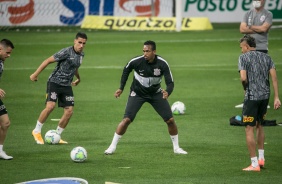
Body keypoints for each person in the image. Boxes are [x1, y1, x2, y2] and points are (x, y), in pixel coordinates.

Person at [104, 40, 187, 155]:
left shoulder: (162, 64)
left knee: (170, 120)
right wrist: (121, 88)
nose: (145, 54)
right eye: (143, 51)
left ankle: (176, 148)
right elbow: (126, 70)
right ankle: (112, 147)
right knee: (127, 119)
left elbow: (170, 83)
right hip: (137, 93)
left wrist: (167, 92)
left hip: (155, 94)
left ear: (154, 51)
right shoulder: (136, 62)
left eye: (147, 51)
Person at [30, 32, 87, 145]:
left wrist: (79, 78)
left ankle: (57, 135)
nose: (81, 45)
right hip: (54, 82)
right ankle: (36, 131)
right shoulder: (66, 52)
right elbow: (47, 61)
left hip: (67, 85)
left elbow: (75, 67)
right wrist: (35, 74)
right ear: (74, 41)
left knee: (69, 111)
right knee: (50, 106)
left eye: (84, 43)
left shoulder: (81, 55)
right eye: (79, 42)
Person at [238, 35, 280, 171]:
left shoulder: (243, 58)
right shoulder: (267, 57)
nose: (241, 50)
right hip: (265, 97)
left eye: (241, 48)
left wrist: (245, 88)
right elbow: (274, 78)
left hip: (252, 97)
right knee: (260, 125)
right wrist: (276, 97)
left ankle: (254, 164)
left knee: (249, 128)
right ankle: (261, 158)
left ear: (246, 46)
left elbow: (243, 78)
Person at [236, 0, 273, 108]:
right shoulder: (247, 14)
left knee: (262, 76)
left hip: (261, 48)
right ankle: (247, 99)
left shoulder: (268, 14)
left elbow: (264, 28)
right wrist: (258, 28)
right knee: (246, 75)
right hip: (248, 49)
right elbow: (242, 29)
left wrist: (250, 27)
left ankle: (264, 100)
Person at [0, 39, 14, 160]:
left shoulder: (1, 61)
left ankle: (0, 150)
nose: (8, 55)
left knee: (5, 123)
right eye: (7, 52)